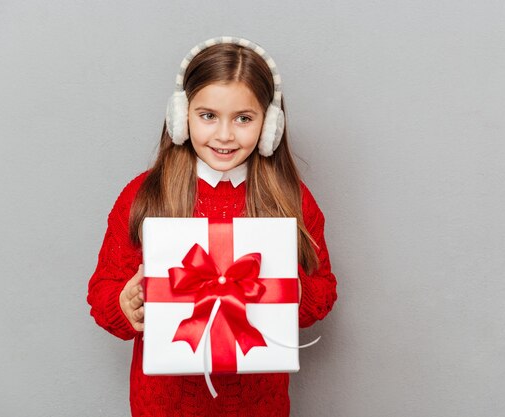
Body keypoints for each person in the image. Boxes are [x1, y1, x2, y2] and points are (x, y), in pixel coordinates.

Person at [87, 36, 337, 417]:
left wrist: (288, 291)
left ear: (270, 125)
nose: (224, 135)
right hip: (165, 404)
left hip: (259, 404)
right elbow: (102, 290)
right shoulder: (144, 194)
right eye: (208, 116)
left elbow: (323, 290)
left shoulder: (292, 199)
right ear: (181, 116)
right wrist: (125, 305)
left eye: (244, 118)